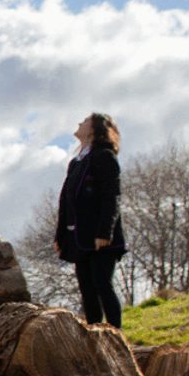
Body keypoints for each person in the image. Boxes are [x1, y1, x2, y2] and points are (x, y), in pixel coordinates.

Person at [56, 111, 128, 328]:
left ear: (96, 129)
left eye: (85, 121)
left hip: (100, 238)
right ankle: (95, 334)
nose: (80, 122)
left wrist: (104, 232)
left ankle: (117, 334)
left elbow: (111, 196)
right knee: (87, 290)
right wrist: (60, 235)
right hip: (79, 238)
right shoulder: (76, 162)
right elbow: (65, 200)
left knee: (102, 284)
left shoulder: (104, 156)